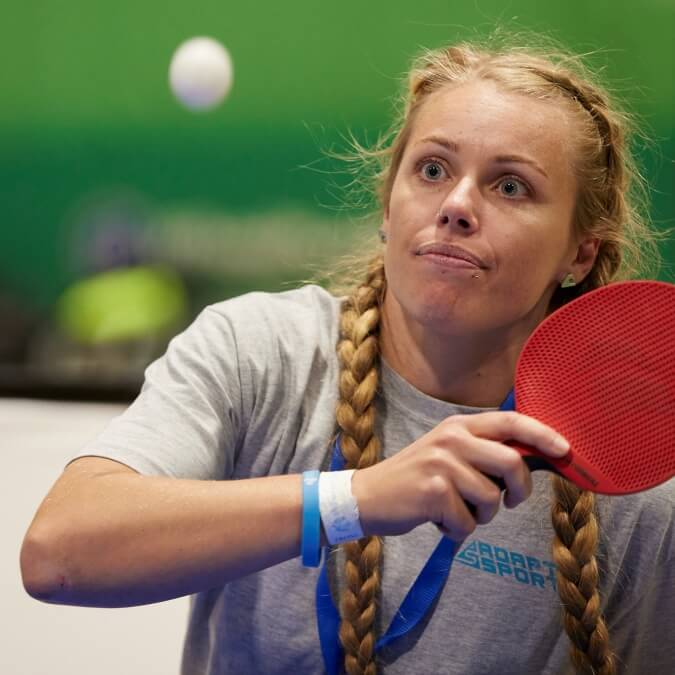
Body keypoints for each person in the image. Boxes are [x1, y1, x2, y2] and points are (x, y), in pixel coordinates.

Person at [20, 35, 673, 675]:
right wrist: (353, 498)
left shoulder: (630, 471)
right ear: (388, 203)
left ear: (579, 252)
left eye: (509, 187)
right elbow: (59, 552)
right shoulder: (261, 353)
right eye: (432, 169)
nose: (455, 206)